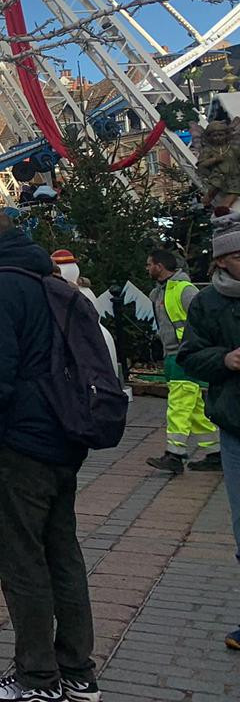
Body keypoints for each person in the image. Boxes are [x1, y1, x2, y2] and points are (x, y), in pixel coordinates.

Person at [0, 207, 99, 702]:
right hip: (60, 438)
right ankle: (76, 670)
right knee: (62, 554)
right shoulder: (48, 284)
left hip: (15, 447)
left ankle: (37, 678)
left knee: (20, 560)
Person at [174, 213, 240, 651]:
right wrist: (225, 360)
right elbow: (189, 355)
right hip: (235, 423)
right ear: (222, 261)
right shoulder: (206, 302)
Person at [145, 248, 221, 473]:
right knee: (195, 408)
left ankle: (174, 454)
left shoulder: (184, 290)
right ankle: (215, 452)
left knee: (178, 405)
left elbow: (204, 319)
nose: (147, 268)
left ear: (160, 266)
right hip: (176, 355)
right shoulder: (161, 291)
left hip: (184, 355)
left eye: (149, 264)